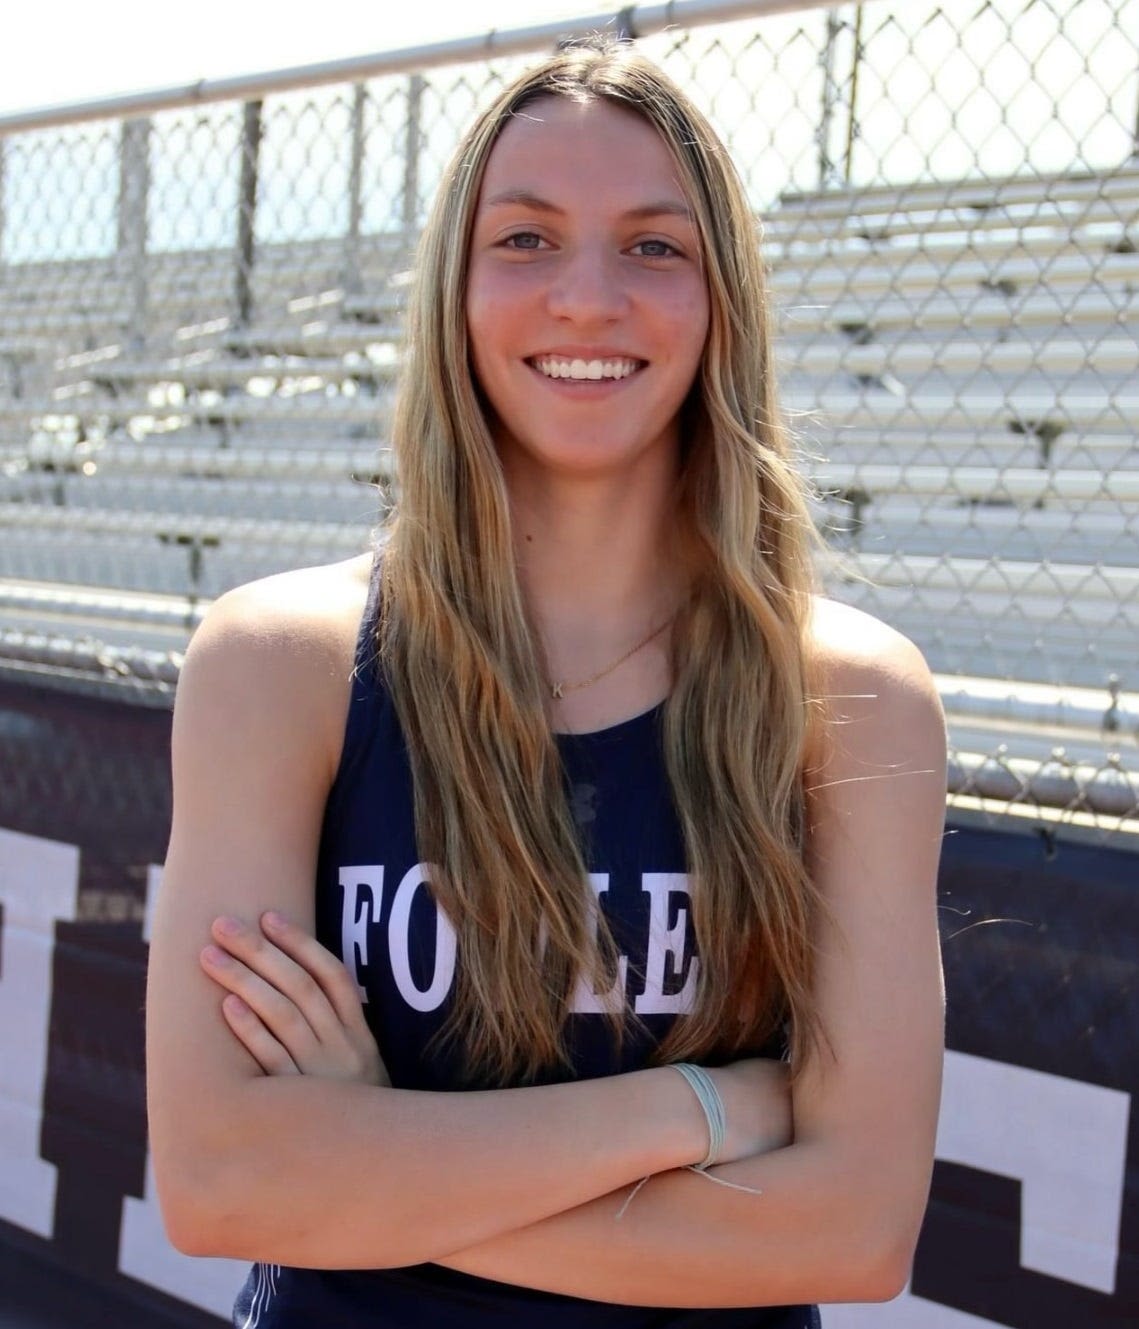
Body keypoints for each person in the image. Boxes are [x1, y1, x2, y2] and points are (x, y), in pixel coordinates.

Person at [145, 37, 946, 1329]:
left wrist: (371, 1160)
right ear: (453, 290)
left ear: (721, 298)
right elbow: (222, 1180)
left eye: (652, 245)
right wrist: (705, 1106)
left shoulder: (850, 700)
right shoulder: (278, 666)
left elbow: (853, 1228)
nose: (587, 296)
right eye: (524, 239)